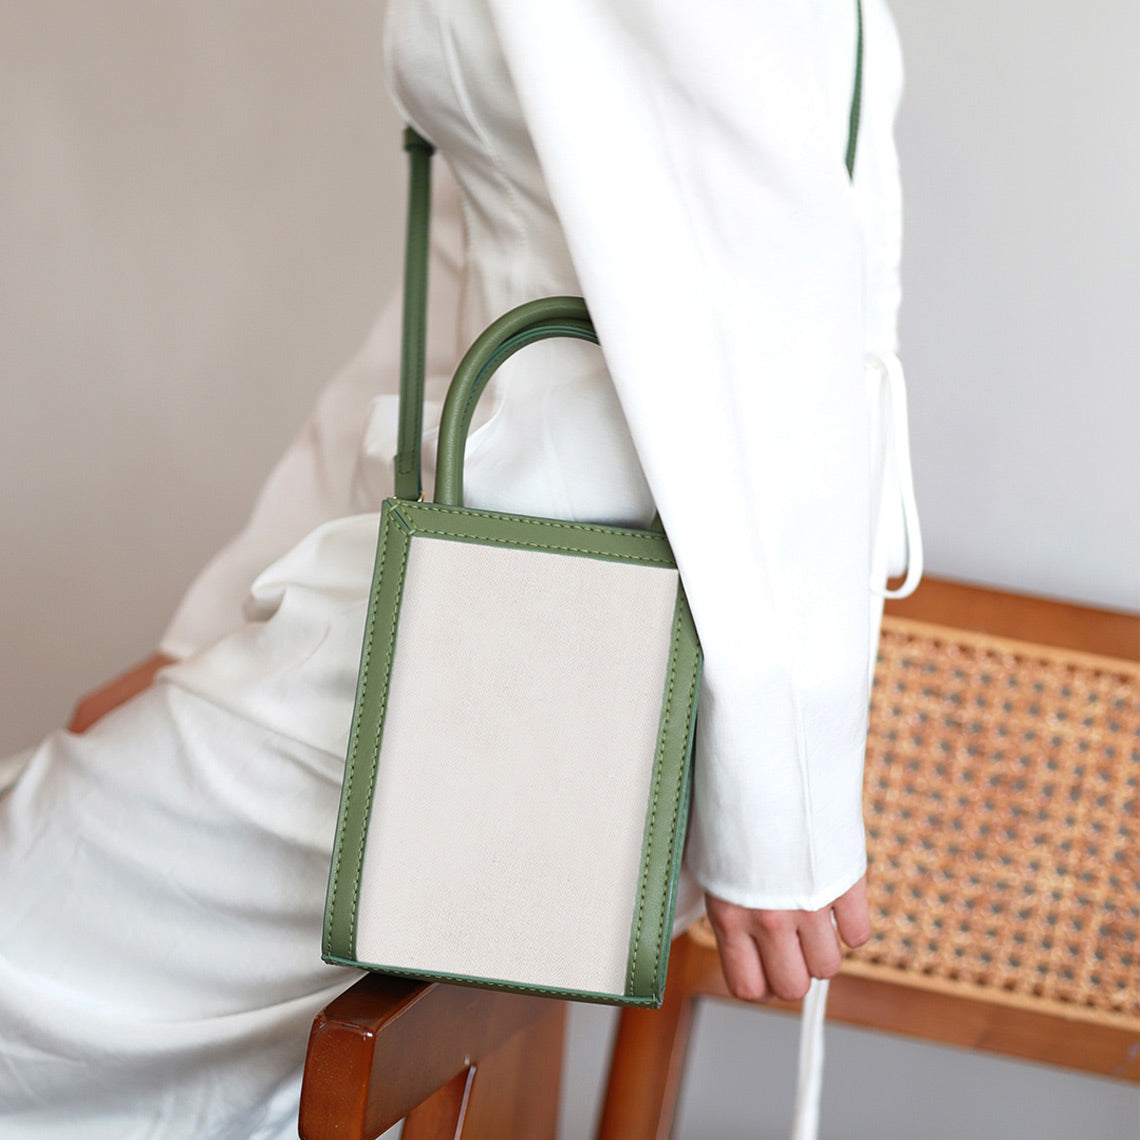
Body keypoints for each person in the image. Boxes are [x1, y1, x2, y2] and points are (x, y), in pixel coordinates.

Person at [0, 0, 920, 1135]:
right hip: (563, 636)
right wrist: (205, 635)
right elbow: (469, 273)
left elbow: (773, 266)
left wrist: (783, 801)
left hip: (523, 646)